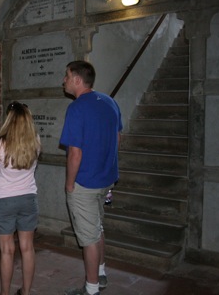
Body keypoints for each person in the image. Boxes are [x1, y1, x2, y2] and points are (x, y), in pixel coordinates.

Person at [59, 61, 122, 295]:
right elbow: (117, 139)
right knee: (96, 228)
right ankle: (102, 273)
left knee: (88, 238)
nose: (63, 80)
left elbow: (75, 153)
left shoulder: (76, 108)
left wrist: (69, 184)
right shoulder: (109, 101)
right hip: (106, 179)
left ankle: (92, 288)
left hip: (85, 182)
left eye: (66, 76)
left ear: (77, 79)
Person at [0, 101, 41, 295]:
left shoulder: (0, 143)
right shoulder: (36, 141)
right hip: (28, 198)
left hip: (4, 200)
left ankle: (5, 293)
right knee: (27, 248)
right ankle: (25, 292)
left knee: (7, 251)